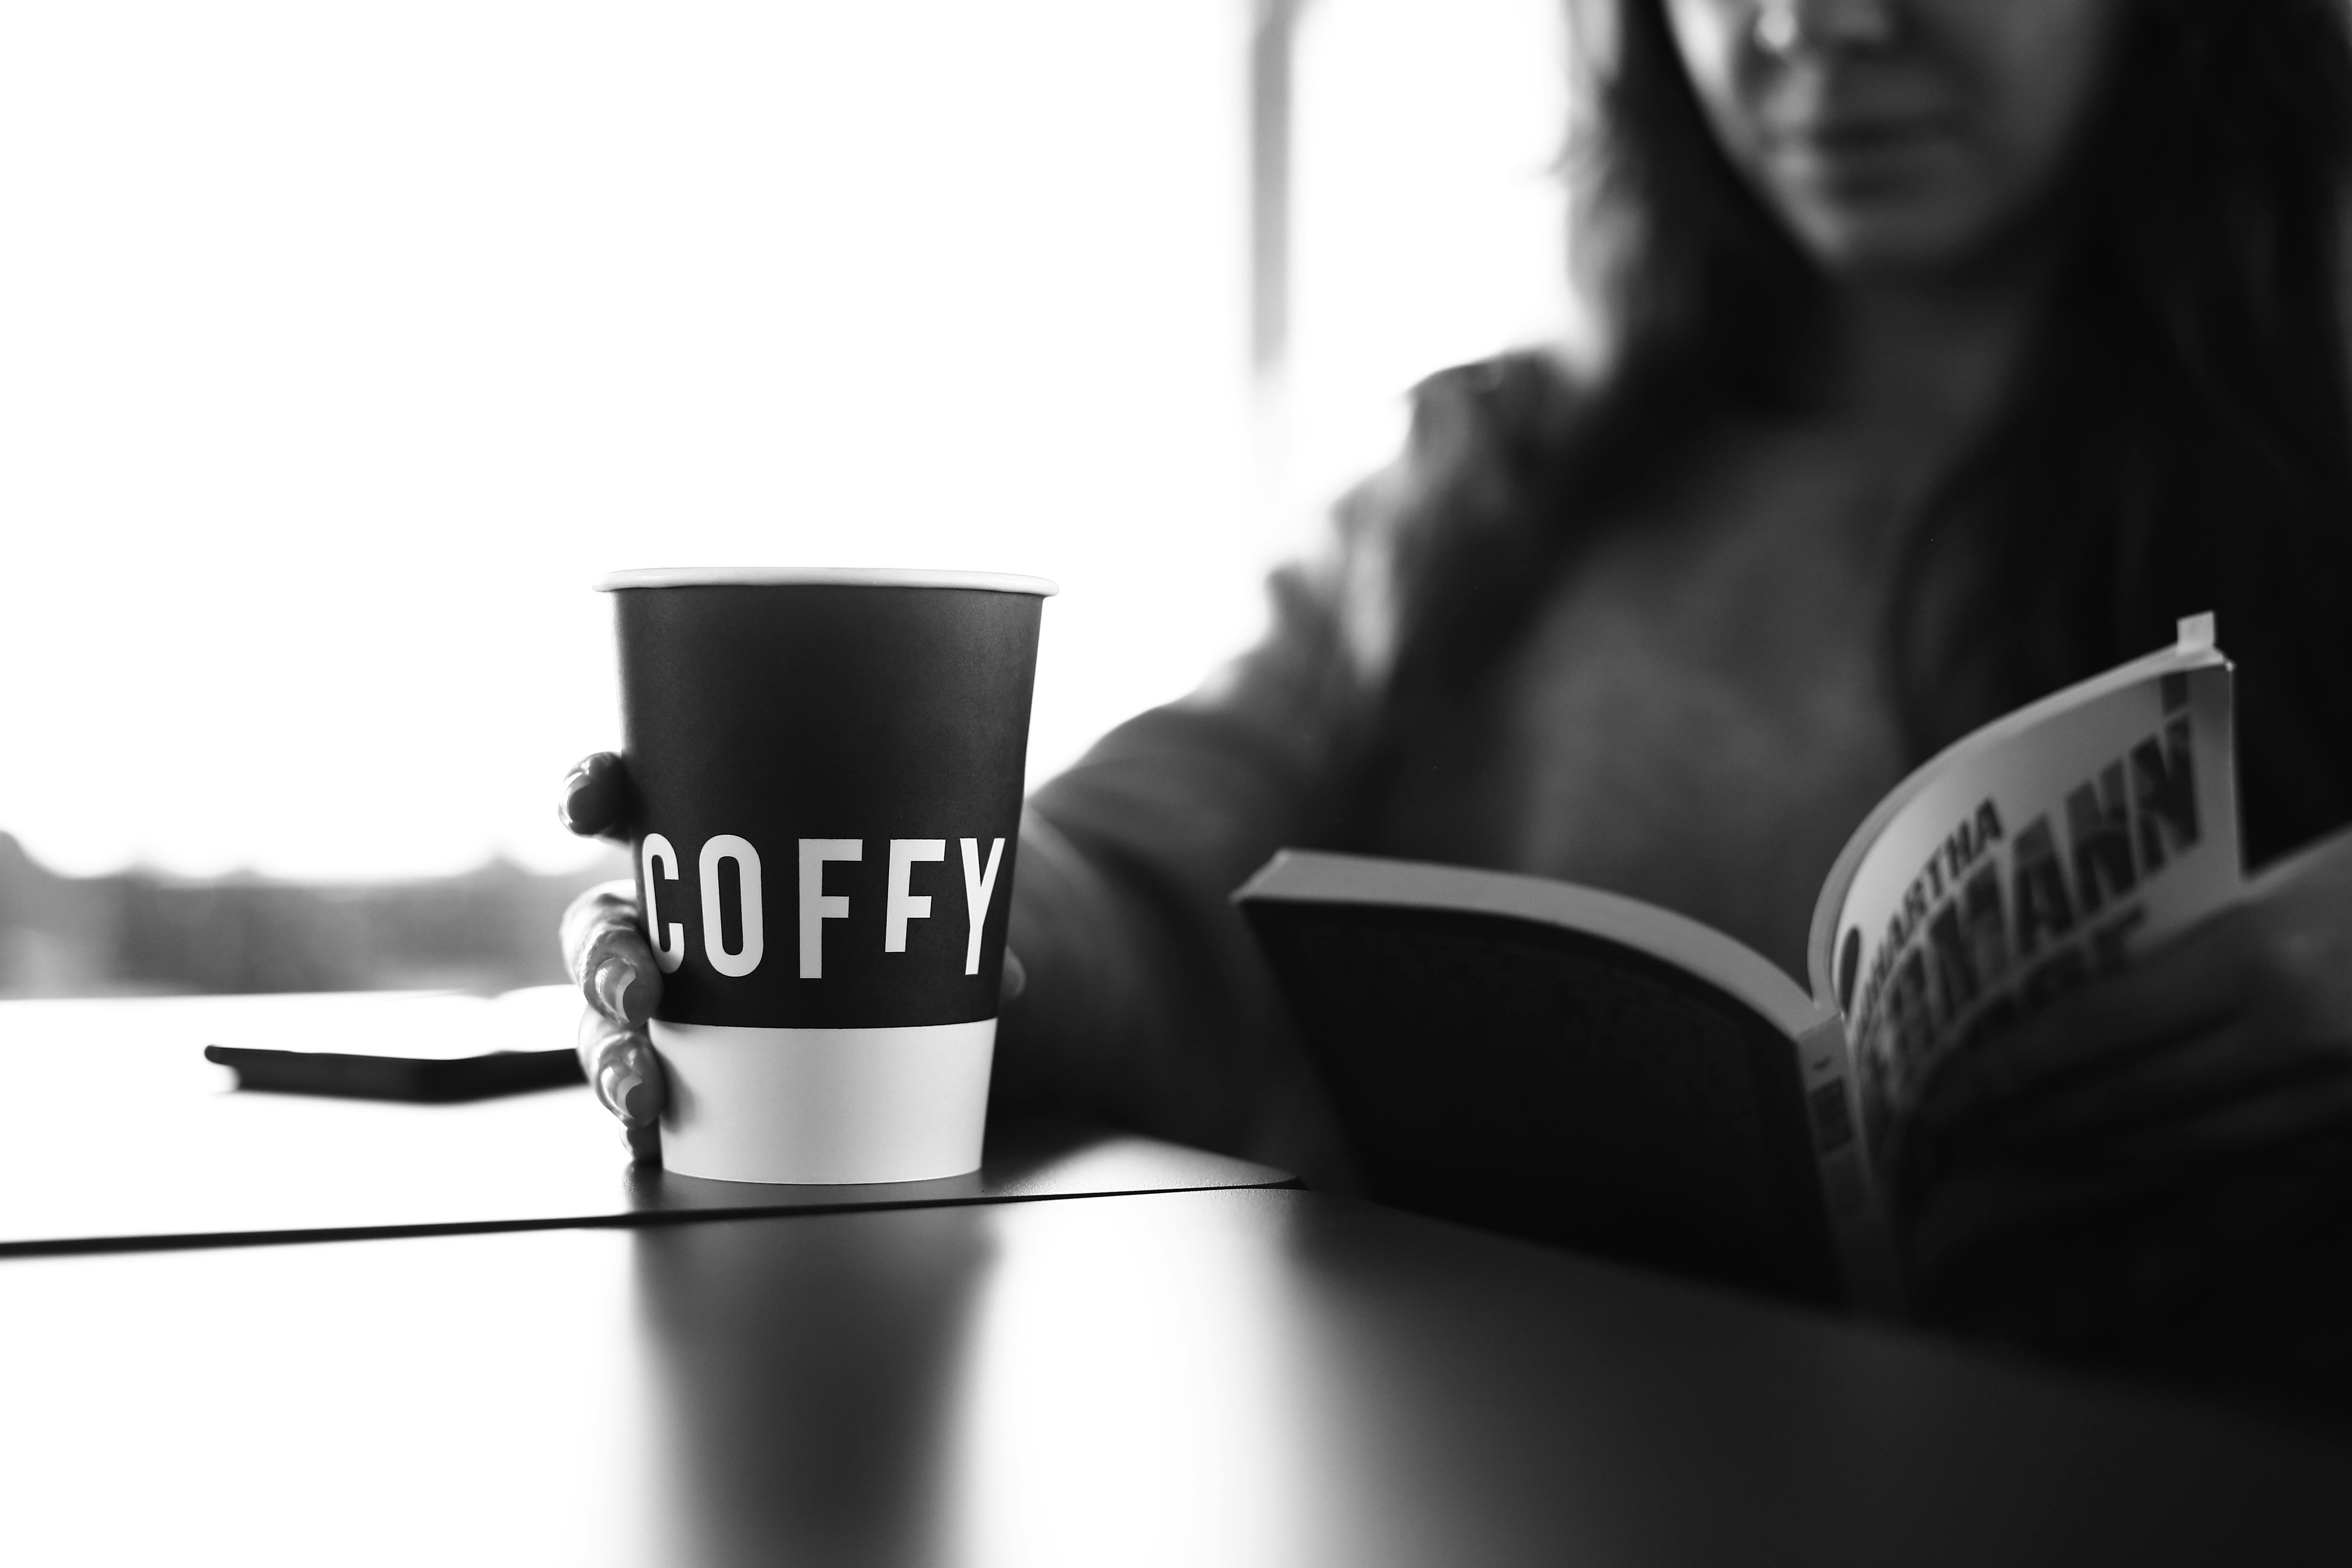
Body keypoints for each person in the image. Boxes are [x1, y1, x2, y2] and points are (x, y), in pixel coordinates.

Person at [561, 0, 2352, 1412]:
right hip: (1502, 1465)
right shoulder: (1489, 483)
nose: (1812, 25)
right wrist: (863, 909)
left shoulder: (2312, 454)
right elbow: (1149, 864)